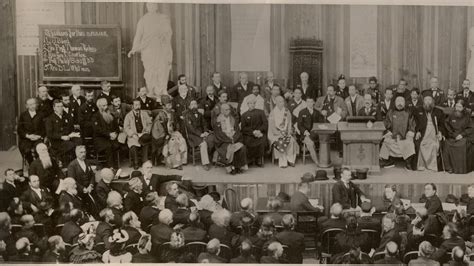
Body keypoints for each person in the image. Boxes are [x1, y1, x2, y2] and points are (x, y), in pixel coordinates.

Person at [128, 2, 172, 97]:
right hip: (148, 49)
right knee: (150, 70)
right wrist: (134, 48)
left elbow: (168, 32)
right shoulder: (143, 20)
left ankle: (163, 90)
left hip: (161, 48)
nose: (150, 6)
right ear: (146, 6)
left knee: (162, 68)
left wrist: (163, 34)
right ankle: (151, 90)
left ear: (156, 6)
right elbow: (138, 35)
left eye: (153, 4)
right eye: (148, 5)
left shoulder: (163, 18)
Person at [379, 96, 416, 169]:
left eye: (401, 101)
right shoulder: (391, 112)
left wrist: (410, 132)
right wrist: (388, 132)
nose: (400, 103)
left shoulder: (408, 112)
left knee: (410, 143)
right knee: (386, 142)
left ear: (404, 103)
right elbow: (386, 123)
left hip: (404, 136)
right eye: (398, 101)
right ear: (395, 103)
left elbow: (412, 124)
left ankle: (408, 163)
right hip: (393, 136)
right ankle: (388, 161)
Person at [413, 95, 446, 171]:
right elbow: (415, 123)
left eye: (429, 100)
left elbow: (442, 124)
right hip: (423, 133)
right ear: (423, 102)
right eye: (426, 100)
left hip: (434, 133)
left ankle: (433, 166)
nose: (427, 101)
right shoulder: (418, 110)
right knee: (421, 145)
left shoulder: (438, 111)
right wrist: (417, 131)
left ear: (433, 102)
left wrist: (440, 132)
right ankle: (421, 166)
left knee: (435, 145)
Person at [214, 103, 248, 174]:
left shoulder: (233, 119)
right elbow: (219, 134)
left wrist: (234, 139)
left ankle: (238, 166)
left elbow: (237, 131)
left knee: (242, 148)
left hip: (234, 139)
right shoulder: (217, 121)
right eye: (226, 110)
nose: (228, 111)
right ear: (222, 111)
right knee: (229, 148)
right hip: (223, 141)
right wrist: (229, 140)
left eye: (229, 109)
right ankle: (230, 167)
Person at [45, 99, 81, 165]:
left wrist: (72, 134)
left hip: (68, 137)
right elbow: (49, 134)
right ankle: (69, 164)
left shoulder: (66, 117)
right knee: (71, 145)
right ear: (54, 108)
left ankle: (78, 162)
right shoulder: (50, 119)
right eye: (58, 107)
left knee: (79, 141)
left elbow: (71, 128)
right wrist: (61, 137)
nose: (60, 108)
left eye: (61, 106)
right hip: (57, 141)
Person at [183, 99, 215, 171]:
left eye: (195, 104)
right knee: (203, 144)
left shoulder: (200, 114)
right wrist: (200, 134)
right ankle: (205, 163)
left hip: (202, 134)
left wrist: (206, 131)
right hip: (192, 135)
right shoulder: (187, 115)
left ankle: (212, 158)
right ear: (189, 106)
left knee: (212, 139)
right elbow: (191, 128)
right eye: (192, 104)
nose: (194, 106)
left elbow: (204, 124)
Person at [268, 96, 299, 168]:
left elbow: (289, 124)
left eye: (282, 101)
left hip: (286, 132)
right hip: (275, 134)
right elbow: (271, 127)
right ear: (276, 102)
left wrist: (288, 133)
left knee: (291, 140)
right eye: (279, 102)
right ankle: (283, 162)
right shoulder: (272, 113)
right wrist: (279, 134)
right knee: (280, 141)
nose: (281, 103)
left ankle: (290, 159)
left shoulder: (287, 111)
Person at [443, 100, 473, 174]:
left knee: (462, 144)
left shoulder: (467, 116)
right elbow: (447, 126)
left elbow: (471, 128)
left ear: (463, 108)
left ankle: (461, 169)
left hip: (464, 136)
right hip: (453, 135)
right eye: (456, 106)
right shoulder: (451, 115)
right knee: (446, 144)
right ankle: (449, 168)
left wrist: (462, 135)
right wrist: (453, 135)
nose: (457, 108)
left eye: (459, 107)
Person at [124, 99, 152, 169]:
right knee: (134, 145)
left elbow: (149, 123)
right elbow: (126, 127)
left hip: (143, 133)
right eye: (136, 105)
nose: (138, 106)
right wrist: (132, 134)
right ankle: (136, 163)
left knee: (145, 142)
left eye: (139, 105)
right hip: (133, 135)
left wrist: (147, 131)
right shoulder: (128, 115)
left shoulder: (144, 114)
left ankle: (145, 161)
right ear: (132, 106)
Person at [240, 95, 268, 167]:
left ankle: (259, 158)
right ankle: (250, 159)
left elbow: (265, 124)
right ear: (247, 104)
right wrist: (252, 132)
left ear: (255, 104)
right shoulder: (244, 115)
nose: (252, 105)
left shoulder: (260, 112)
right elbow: (243, 128)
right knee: (248, 141)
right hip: (249, 134)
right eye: (250, 103)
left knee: (261, 141)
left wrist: (259, 130)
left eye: (253, 103)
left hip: (260, 133)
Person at [93, 97, 120, 168]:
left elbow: (117, 128)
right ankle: (110, 167)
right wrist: (109, 134)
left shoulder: (111, 115)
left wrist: (115, 134)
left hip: (112, 137)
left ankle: (115, 167)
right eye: (103, 106)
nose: (106, 107)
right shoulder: (95, 116)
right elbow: (97, 130)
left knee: (115, 145)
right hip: (100, 138)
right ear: (99, 106)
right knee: (109, 146)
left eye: (106, 105)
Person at [297, 97, 324, 165]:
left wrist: (316, 130)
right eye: (308, 102)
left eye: (311, 102)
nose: (309, 104)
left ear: (314, 102)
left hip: (315, 133)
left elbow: (321, 123)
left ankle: (323, 159)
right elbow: (299, 125)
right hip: (305, 134)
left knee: (323, 141)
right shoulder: (302, 112)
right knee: (310, 143)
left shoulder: (317, 113)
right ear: (306, 102)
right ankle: (317, 162)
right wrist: (305, 132)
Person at [18, 98, 45, 164]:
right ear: (26, 106)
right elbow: (20, 129)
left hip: (38, 138)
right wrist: (28, 136)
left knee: (40, 149)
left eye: (34, 104)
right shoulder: (23, 115)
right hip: (26, 139)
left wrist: (39, 136)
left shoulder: (41, 115)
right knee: (27, 151)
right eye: (30, 105)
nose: (32, 106)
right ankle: (32, 165)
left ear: (36, 105)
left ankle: (39, 165)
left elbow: (44, 129)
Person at [151, 95, 175, 165]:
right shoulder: (160, 115)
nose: (170, 107)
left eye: (171, 105)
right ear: (163, 106)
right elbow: (159, 129)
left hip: (168, 132)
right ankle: (163, 159)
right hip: (159, 135)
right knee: (168, 141)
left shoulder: (171, 113)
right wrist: (166, 135)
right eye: (168, 105)